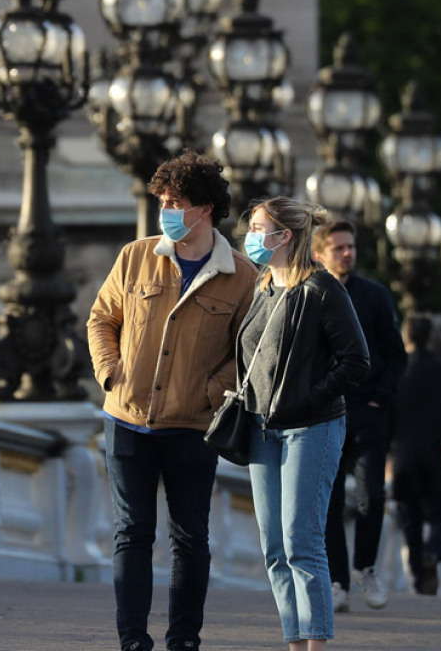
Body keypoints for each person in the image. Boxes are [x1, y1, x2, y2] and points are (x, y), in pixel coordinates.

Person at [87, 150, 258, 651]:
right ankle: (133, 640)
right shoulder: (136, 256)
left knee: (189, 541)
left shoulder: (242, 276)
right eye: (162, 199)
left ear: (204, 209)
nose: (165, 209)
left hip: (192, 427)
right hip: (127, 419)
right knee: (132, 534)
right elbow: (102, 319)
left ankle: (184, 640)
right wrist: (109, 372)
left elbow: (248, 351)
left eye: (175, 201)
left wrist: (210, 390)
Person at [239, 197, 369, 650]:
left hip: (311, 428)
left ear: (285, 236)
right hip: (262, 430)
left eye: (258, 228)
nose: (250, 237)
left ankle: (315, 643)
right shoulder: (263, 288)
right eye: (251, 228)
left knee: (302, 540)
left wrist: (306, 399)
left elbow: (357, 361)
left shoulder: (322, 289)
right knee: (274, 548)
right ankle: (294, 642)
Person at [311, 220, 406, 611]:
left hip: (368, 414)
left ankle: (365, 569)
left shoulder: (375, 296)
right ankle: (336, 582)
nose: (347, 253)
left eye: (350, 246)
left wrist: (379, 400)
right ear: (319, 254)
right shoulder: (310, 296)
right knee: (329, 501)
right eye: (338, 248)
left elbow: (396, 356)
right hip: (326, 414)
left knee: (371, 495)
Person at [389, 313, 441, 596]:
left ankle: (419, 573)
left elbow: (389, 415)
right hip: (435, 453)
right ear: (431, 337)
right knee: (438, 514)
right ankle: (434, 554)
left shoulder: (397, 371)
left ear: (406, 337)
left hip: (403, 454)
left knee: (410, 518)